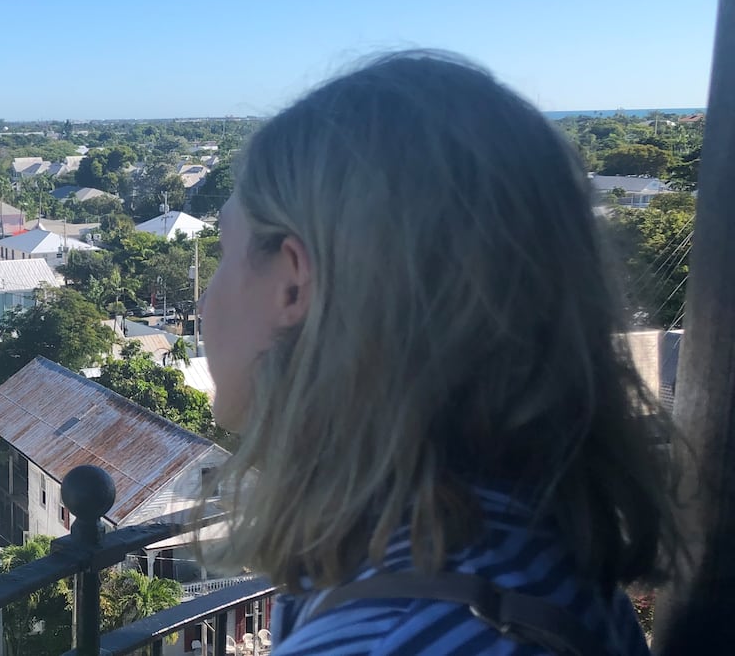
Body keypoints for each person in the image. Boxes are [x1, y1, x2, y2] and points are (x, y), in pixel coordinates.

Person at [200, 52, 677, 654]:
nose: (207, 296)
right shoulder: (529, 546)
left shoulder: (385, 634)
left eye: (223, 249)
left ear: (294, 282)